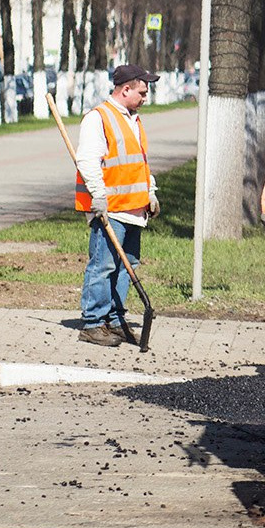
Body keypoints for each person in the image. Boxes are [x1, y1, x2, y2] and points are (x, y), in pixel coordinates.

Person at [75, 64, 161, 346]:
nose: (146, 97)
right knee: (103, 265)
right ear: (126, 89)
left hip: (135, 209)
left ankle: (114, 320)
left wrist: (150, 191)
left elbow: (138, 161)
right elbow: (88, 161)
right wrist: (98, 197)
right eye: (142, 91)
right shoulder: (98, 119)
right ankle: (93, 323)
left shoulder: (132, 120)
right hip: (111, 208)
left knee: (127, 266)